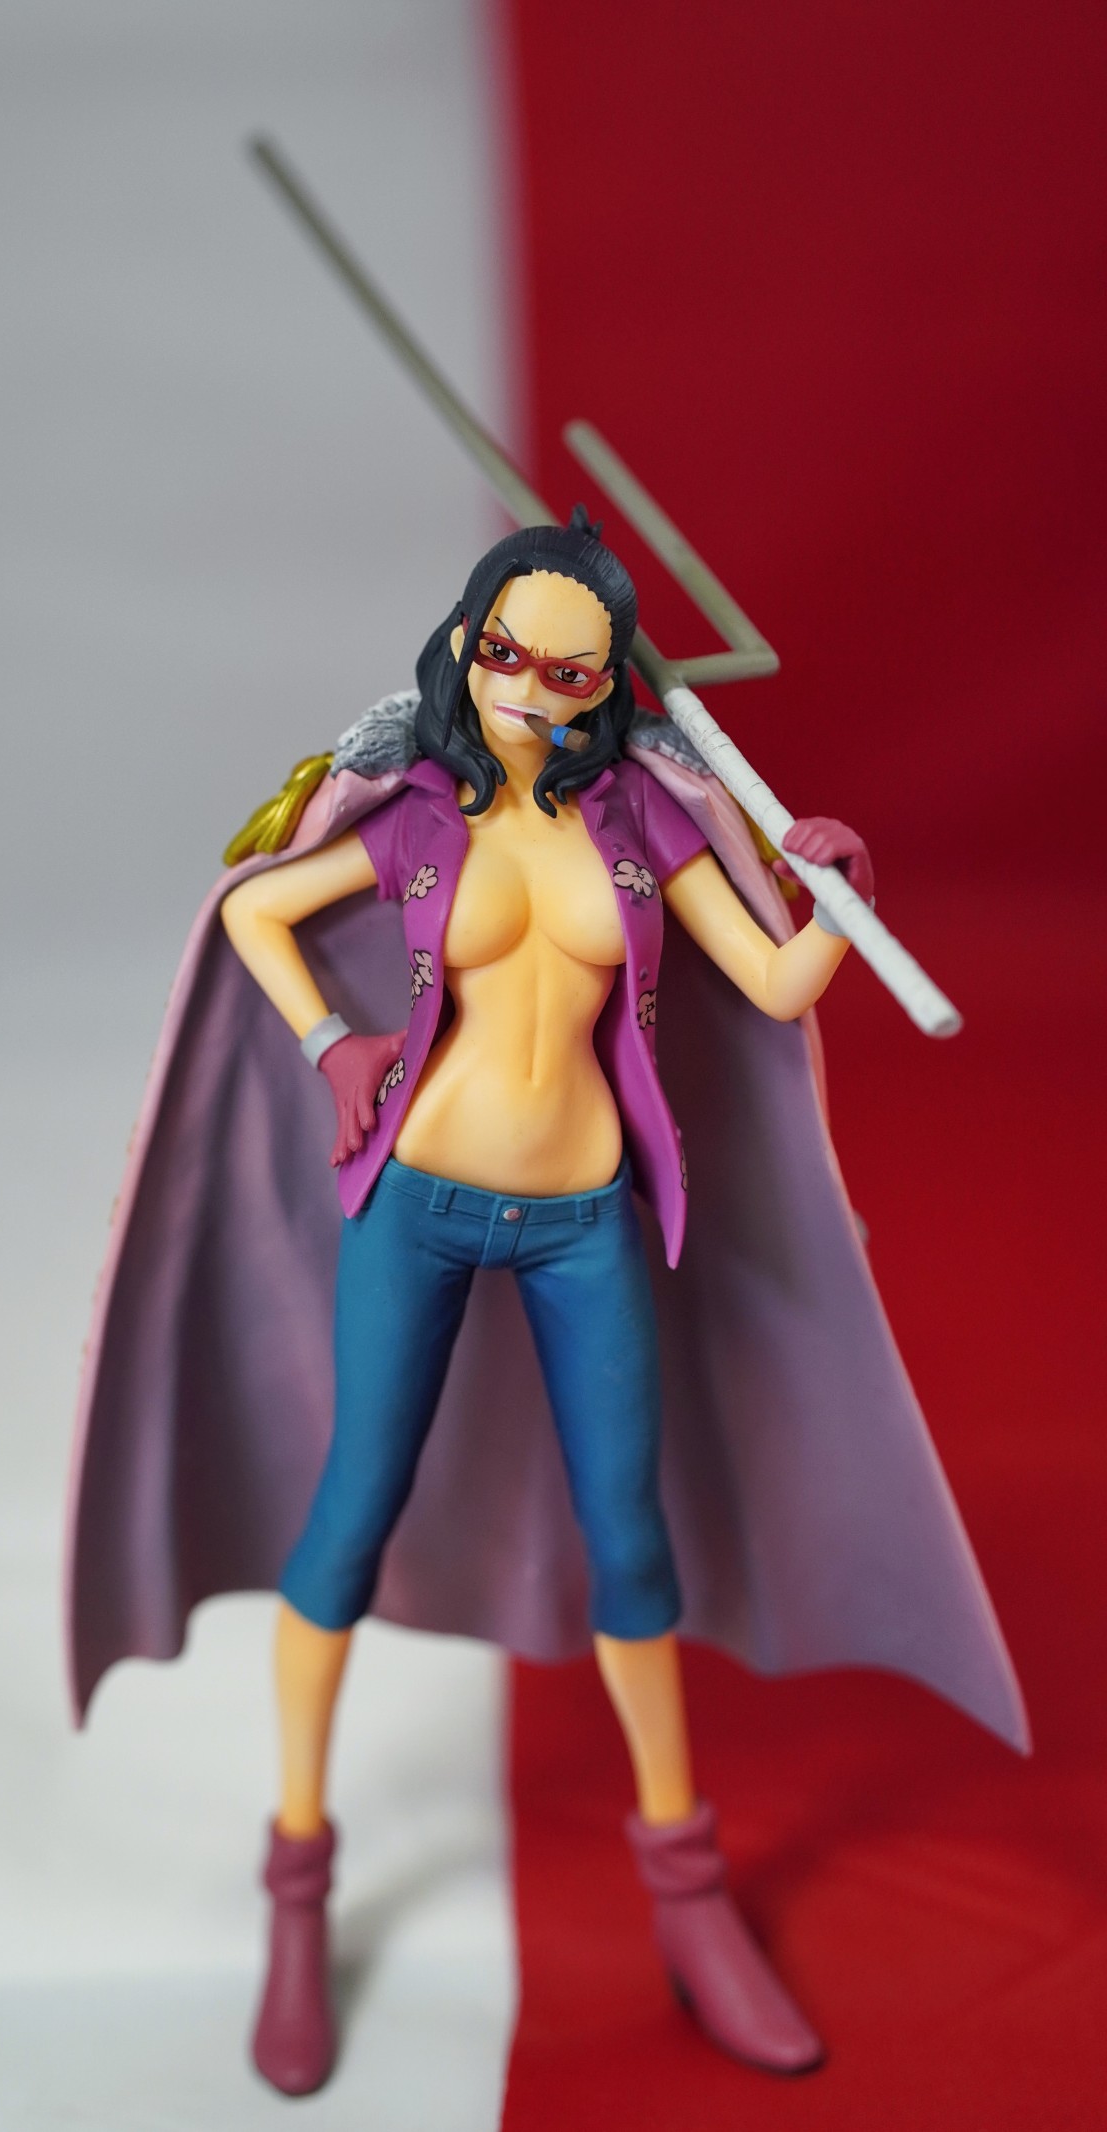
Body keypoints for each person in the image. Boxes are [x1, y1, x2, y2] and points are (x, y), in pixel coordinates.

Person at [65, 510, 1027, 2099]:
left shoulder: (642, 820)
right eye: (505, 652)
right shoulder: (419, 817)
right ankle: (297, 1873)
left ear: (606, 686)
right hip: (421, 1206)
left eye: (569, 670)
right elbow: (253, 911)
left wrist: (831, 897)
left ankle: (686, 1888)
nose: (529, 686)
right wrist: (330, 1043)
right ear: (465, 646)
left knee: (632, 1539)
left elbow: (772, 983)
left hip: (582, 1221)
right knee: (349, 1519)